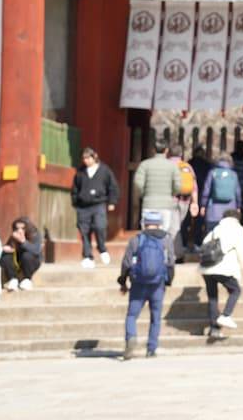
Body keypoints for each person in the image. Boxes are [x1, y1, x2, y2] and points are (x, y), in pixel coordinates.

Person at [117, 209, 175, 360]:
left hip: (138, 283)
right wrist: (168, 280)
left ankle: (131, 338)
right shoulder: (166, 239)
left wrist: (123, 281)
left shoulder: (136, 239)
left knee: (132, 315)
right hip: (158, 284)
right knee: (155, 317)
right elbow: (171, 262)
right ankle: (151, 349)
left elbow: (126, 263)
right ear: (159, 224)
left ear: (144, 223)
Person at [200, 208, 243, 340]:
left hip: (207, 268)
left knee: (213, 297)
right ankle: (226, 315)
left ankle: (214, 329)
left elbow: (204, 244)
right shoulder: (237, 229)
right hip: (224, 268)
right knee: (235, 290)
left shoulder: (216, 229)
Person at [71, 147, 119, 269]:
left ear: (94, 157)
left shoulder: (104, 170)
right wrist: (75, 202)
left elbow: (112, 186)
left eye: (88, 158)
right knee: (84, 231)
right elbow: (75, 188)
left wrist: (112, 201)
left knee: (100, 226)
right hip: (83, 205)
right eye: (84, 158)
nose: (86, 161)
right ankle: (88, 256)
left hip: (99, 203)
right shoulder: (80, 172)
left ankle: (102, 248)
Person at [134, 140, 183, 246]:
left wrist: (144, 193)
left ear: (153, 150)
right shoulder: (172, 166)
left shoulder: (145, 165)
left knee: (147, 233)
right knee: (163, 234)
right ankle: (161, 254)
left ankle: (147, 252)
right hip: (166, 205)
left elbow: (138, 183)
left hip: (149, 203)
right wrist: (172, 194)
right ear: (166, 150)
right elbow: (178, 186)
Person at [167, 143, 199, 264]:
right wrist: (195, 203)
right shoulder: (187, 167)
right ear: (181, 154)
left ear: (168, 152)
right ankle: (176, 252)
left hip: (171, 199)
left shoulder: (167, 165)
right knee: (177, 225)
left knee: (174, 227)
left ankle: (177, 254)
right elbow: (194, 187)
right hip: (185, 201)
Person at [201, 154, 241, 236]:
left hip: (213, 212)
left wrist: (203, 205)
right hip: (229, 211)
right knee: (228, 236)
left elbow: (206, 191)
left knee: (211, 235)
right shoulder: (233, 174)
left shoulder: (212, 173)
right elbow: (238, 193)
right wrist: (238, 206)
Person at [0, 217, 42, 291]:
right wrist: (7, 249)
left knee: (27, 256)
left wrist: (23, 241)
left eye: (23, 228)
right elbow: (10, 248)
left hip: (31, 261)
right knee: (6, 256)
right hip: (17, 260)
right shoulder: (13, 236)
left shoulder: (35, 235)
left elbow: (36, 251)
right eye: (17, 228)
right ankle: (12, 279)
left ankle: (27, 279)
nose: (19, 230)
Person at [187, 144, 213, 253]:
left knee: (187, 219)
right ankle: (198, 242)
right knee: (199, 220)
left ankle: (185, 242)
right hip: (202, 193)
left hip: (188, 194)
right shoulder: (207, 165)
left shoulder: (189, 163)